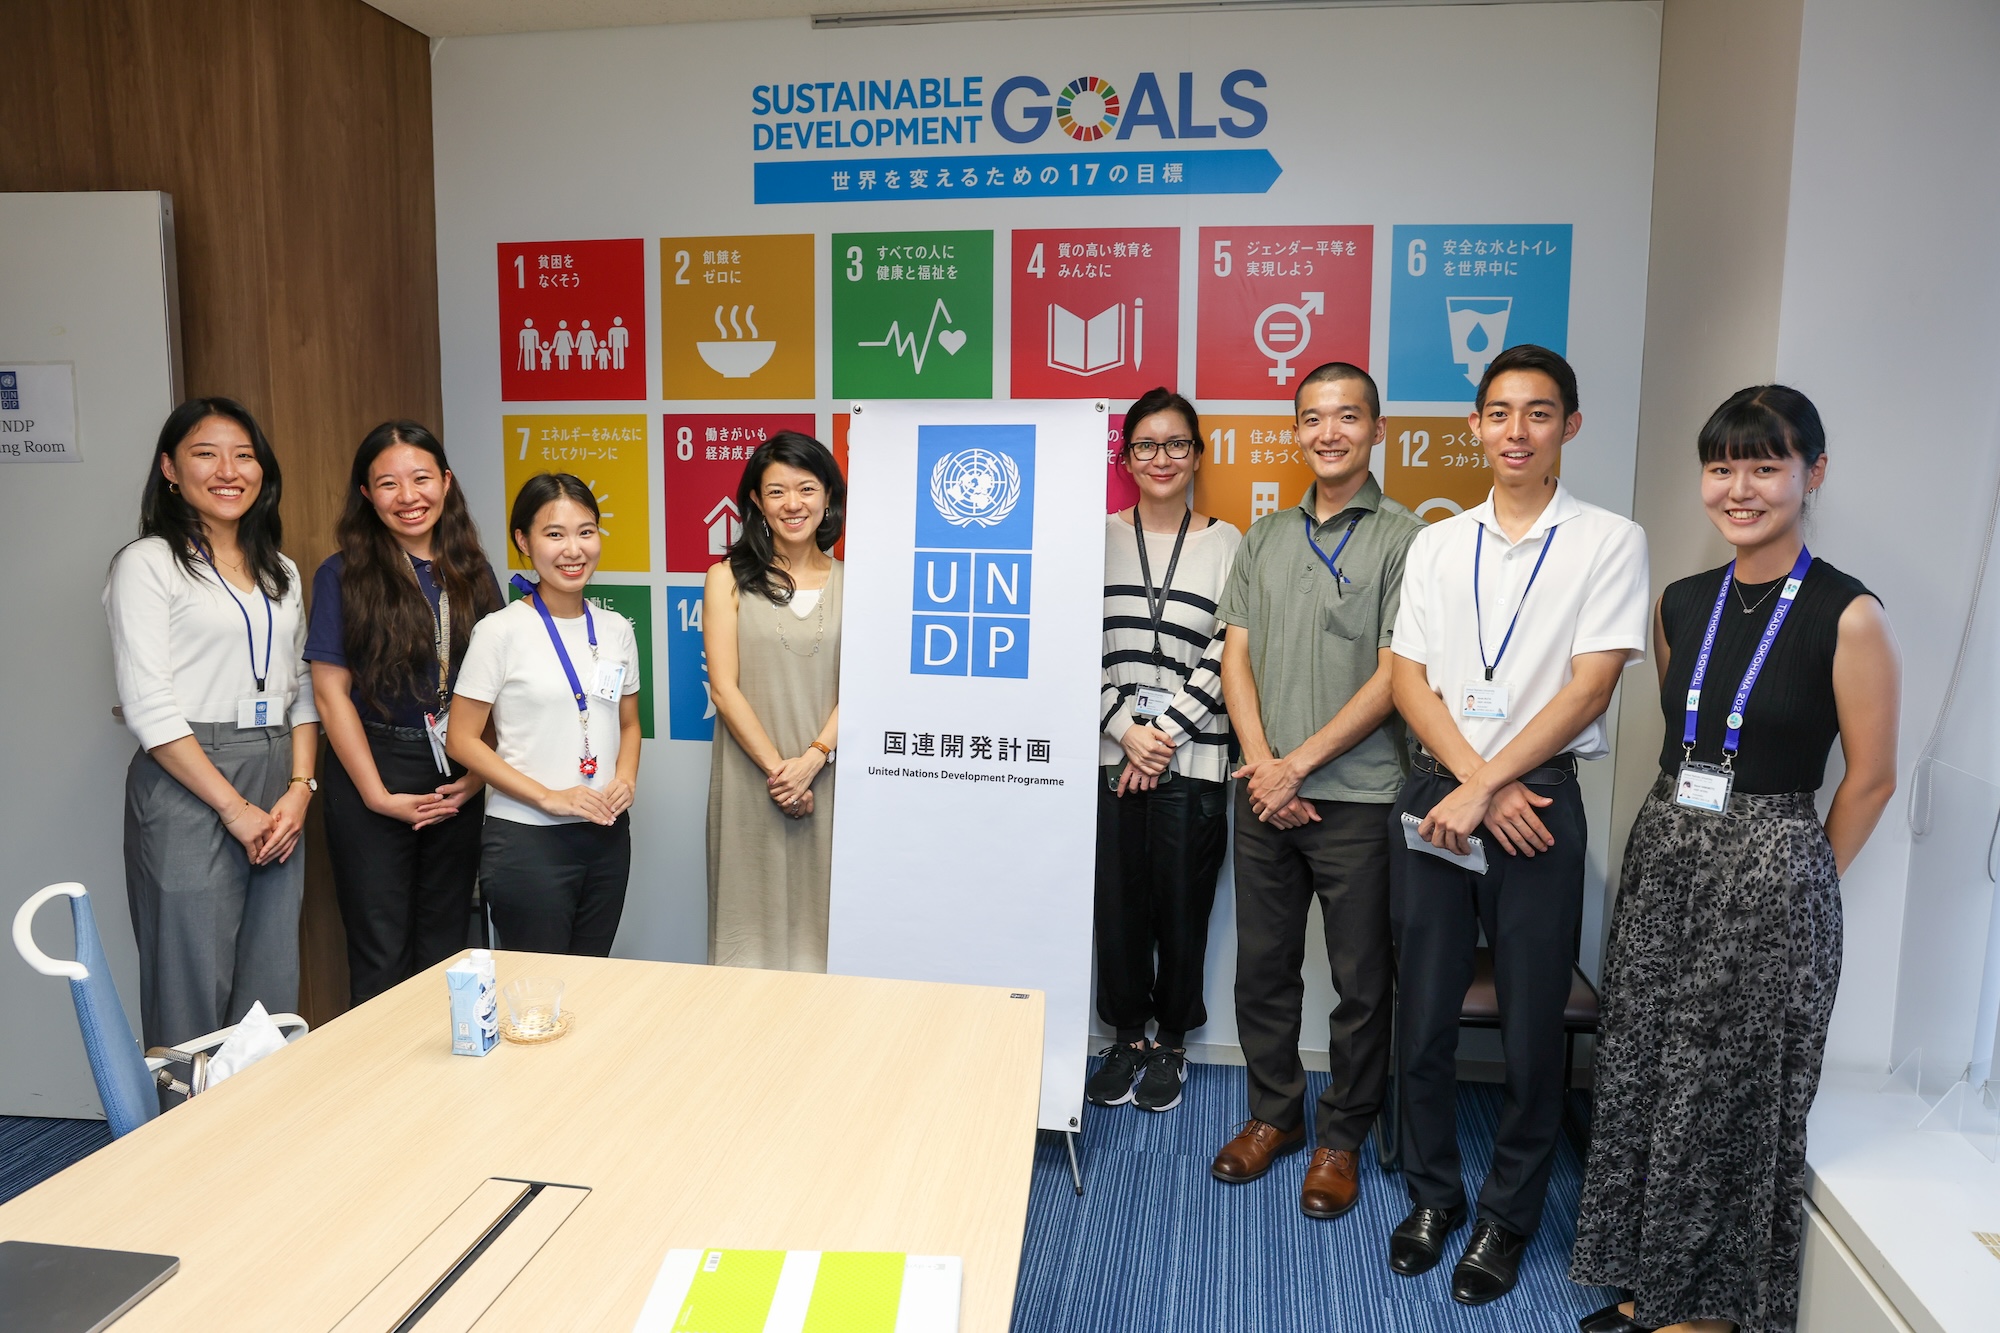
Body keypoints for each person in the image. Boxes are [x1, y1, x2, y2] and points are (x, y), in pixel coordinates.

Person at [1570, 388, 1899, 1333]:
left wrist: (1794, 882)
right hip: (1668, 850)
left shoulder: (1850, 613)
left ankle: (1706, 1311)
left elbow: (1869, 779)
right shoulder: (1681, 601)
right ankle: (1650, 1280)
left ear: (1813, 473)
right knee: (1643, 1067)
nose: (1740, 487)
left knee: (1729, 1092)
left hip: (1771, 869)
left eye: (1765, 465)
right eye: (1723, 467)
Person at [1387, 345, 1650, 1304]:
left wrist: (1493, 786)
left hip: (1540, 796)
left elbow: (1590, 688)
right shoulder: (1437, 542)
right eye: (1499, 413)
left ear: (1569, 427)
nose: (1517, 431)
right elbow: (1408, 676)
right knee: (1422, 1013)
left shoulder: (1609, 540)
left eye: (1539, 414)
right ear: (1474, 426)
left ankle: (1506, 1216)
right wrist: (1471, 784)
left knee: (1536, 1024)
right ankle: (1431, 1194)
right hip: (1441, 792)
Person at [1207, 364, 1424, 1222]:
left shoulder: (1408, 540)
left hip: (1361, 798)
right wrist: (1266, 765)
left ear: (1377, 429)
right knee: (1263, 969)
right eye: (1311, 419)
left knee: (1362, 981)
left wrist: (1299, 766)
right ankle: (1274, 1115)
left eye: (1346, 417)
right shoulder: (1262, 539)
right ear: (1294, 431)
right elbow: (1235, 658)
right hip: (1265, 795)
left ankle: (1342, 1134)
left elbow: (1395, 676)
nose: (1327, 432)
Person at [105, 397, 318, 1050]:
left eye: (244, 455)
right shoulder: (147, 563)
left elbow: (302, 687)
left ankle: (260, 1144)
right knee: (189, 987)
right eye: (205, 454)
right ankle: (183, 1144)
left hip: (278, 776)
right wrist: (232, 807)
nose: (228, 470)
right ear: (170, 469)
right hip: (190, 780)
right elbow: (148, 704)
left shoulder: (280, 570)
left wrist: (300, 788)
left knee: (270, 984)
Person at [306, 423, 503, 1005]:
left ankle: (444, 1087)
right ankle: (379, 1088)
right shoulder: (342, 574)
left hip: (456, 772)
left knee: (446, 947)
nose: (408, 496)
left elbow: (492, 685)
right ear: (366, 494)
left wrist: (475, 777)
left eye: (421, 479)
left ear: (446, 482)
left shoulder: (472, 570)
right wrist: (375, 795)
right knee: (380, 949)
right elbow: (329, 694)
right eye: (387, 484)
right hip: (372, 768)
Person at [1086, 389, 1243, 1113]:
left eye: (1177, 444)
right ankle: (1125, 1034)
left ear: (1197, 455)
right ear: (1125, 457)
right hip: (1111, 752)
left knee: (1183, 904)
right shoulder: (1091, 539)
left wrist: (1165, 733)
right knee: (1117, 903)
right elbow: (1075, 644)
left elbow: (1228, 654)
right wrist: (1126, 730)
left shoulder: (1230, 543)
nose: (1161, 458)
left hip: (1196, 753)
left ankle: (1173, 1039)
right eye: (1146, 445)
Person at [446, 474, 640, 955]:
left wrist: (627, 779)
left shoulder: (616, 629)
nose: (573, 549)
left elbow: (630, 724)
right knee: (535, 996)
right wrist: (548, 797)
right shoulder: (501, 631)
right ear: (523, 543)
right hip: (527, 840)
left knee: (592, 983)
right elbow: (462, 739)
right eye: (555, 534)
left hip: (606, 836)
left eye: (586, 531)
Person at [703, 432, 845, 971]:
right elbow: (724, 687)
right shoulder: (726, 580)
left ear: (827, 496)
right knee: (749, 930)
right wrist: (780, 775)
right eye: (777, 491)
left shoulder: (857, 583)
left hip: (831, 779)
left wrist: (812, 760)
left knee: (828, 930)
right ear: (757, 502)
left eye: (806, 488)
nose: (794, 504)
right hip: (751, 780)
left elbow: (864, 686)